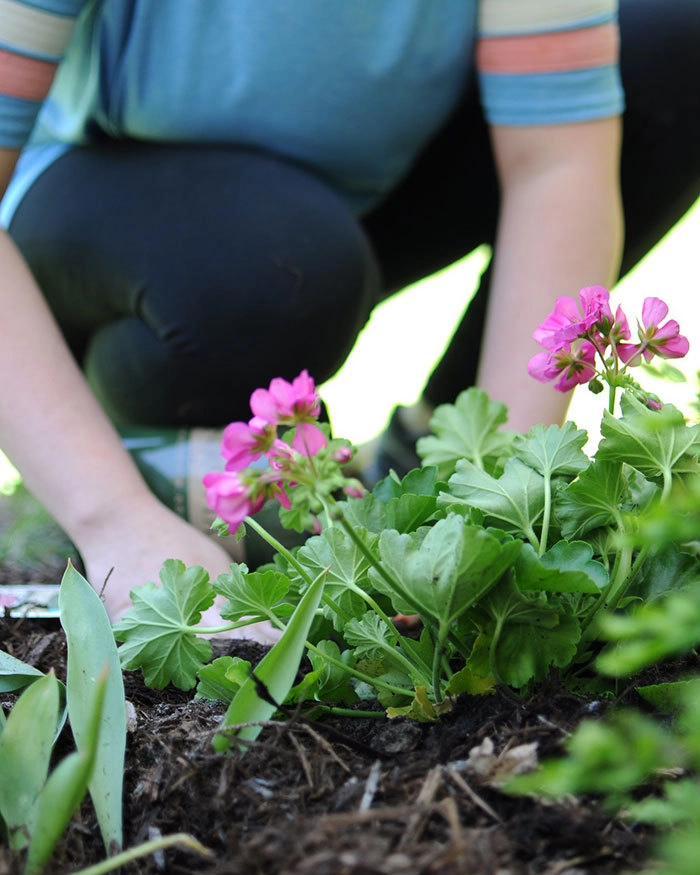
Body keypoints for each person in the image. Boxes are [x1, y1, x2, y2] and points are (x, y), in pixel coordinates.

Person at [1, 1, 698, 622]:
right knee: (270, 270)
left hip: (341, 206)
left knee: (672, 50)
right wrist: (114, 519)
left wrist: (501, 498)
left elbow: (557, 164)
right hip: (90, 213)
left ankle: (433, 448)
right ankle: (114, 441)